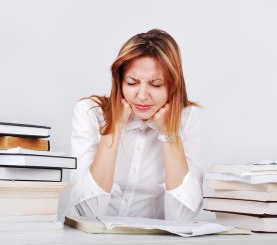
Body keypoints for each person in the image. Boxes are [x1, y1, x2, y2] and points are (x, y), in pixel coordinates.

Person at [69, 29, 203, 220]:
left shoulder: (188, 118)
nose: (141, 95)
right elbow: (89, 213)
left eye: (156, 85)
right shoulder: (90, 112)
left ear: (173, 86)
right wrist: (114, 127)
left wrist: (169, 134)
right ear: (119, 81)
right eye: (132, 83)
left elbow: (183, 218)